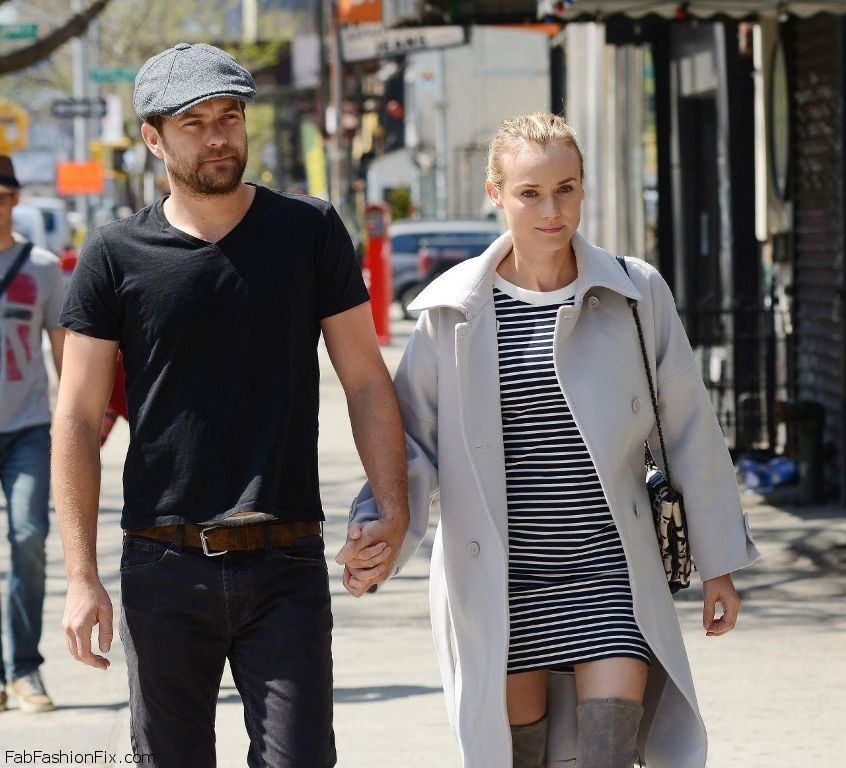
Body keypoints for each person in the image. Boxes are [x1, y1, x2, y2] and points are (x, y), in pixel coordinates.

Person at [348, 113, 760, 768]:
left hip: (609, 572)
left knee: (609, 748)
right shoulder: (453, 313)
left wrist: (719, 565)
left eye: (565, 189)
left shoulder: (634, 293)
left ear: (582, 187)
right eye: (530, 193)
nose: (551, 210)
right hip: (503, 580)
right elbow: (411, 442)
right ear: (496, 193)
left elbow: (690, 430)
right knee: (522, 756)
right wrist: (380, 531)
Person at [52, 43, 405, 767]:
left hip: (286, 559)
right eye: (194, 123)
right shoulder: (114, 254)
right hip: (163, 563)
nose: (218, 137)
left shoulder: (309, 231)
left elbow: (368, 381)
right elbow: (78, 419)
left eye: (230, 117)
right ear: (153, 138)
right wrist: (81, 577)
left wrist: (393, 507)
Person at [0, 155, 65, 714]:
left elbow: (68, 354)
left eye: (1, 198)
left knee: (28, 537)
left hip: (28, 428)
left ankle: (23, 667)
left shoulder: (42, 268)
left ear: (14, 199)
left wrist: (79, 424)